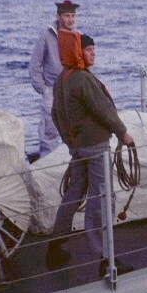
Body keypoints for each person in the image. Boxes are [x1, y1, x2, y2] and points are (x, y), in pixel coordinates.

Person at [47, 32, 135, 277]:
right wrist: (123, 133)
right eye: (88, 50)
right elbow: (104, 110)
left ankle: (55, 244)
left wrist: (70, 141)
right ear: (77, 52)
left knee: (73, 193)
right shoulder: (83, 79)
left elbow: (55, 114)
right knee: (102, 199)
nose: (93, 53)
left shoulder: (62, 79)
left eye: (93, 49)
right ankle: (106, 259)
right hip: (96, 149)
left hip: (78, 149)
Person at [29, 0, 78, 158]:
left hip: (72, 91)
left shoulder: (77, 36)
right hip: (52, 90)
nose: (70, 19)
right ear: (58, 16)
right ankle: (47, 164)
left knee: (73, 129)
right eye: (67, 16)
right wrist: (43, 89)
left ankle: (71, 164)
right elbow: (35, 64)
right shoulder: (47, 35)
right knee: (50, 132)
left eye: (73, 16)